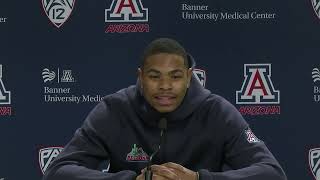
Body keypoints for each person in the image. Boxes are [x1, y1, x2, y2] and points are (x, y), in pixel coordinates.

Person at [43, 38, 287, 180]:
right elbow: (57, 172)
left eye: (175, 76)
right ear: (141, 76)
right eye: (154, 76)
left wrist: (198, 179)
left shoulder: (217, 112)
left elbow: (272, 173)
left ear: (189, 77)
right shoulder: (114, 110)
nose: (165, 87)